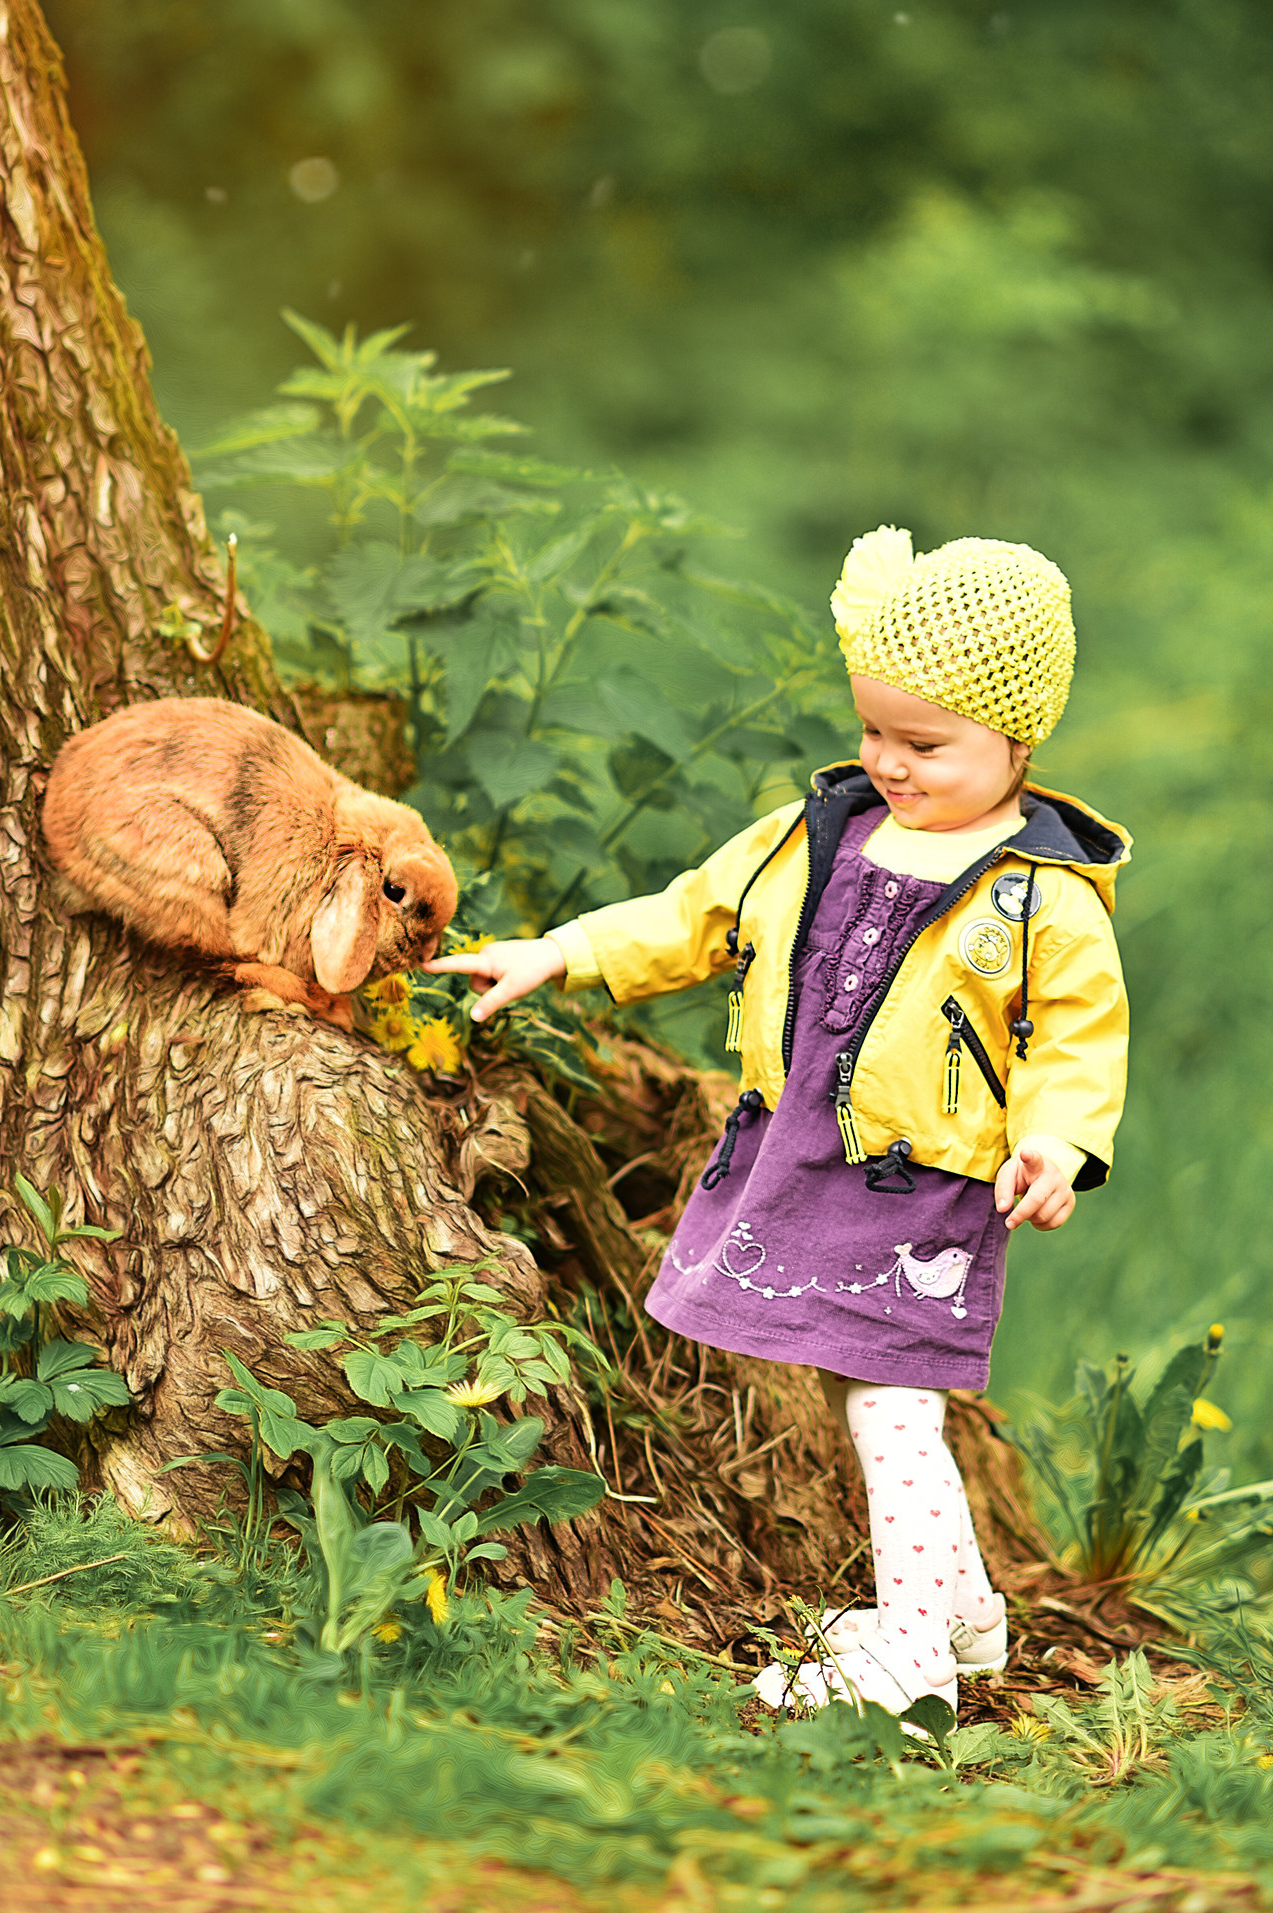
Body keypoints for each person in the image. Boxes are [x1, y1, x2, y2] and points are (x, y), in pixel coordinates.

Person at [429, 525, 1130, 1721]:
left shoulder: (1040, 894)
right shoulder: (821, 830)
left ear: (1020, 740)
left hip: (925, 1182)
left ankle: (910, 1648)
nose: (890, 763)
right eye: (873, 732)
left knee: (888, 1396)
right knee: (871, 1389)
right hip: (798, 1153)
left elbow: (1077, 1034)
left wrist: (1058, 1141)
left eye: (926, 744)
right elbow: (693, 911)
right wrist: (562, 952)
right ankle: (962, 1619)